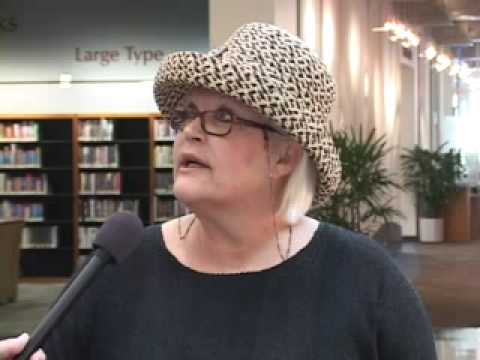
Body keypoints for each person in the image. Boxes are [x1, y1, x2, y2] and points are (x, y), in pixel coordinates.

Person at [0, 22, 437, 359]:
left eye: (224, 117)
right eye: (189, 114)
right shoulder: (116, 268)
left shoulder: (366, 281)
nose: (191, 131)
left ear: (284, 156)